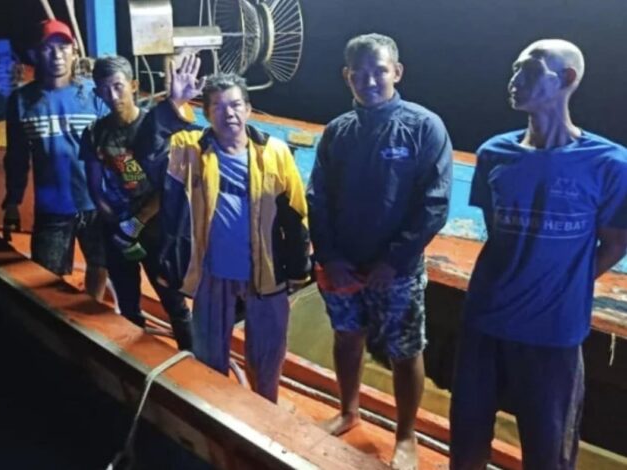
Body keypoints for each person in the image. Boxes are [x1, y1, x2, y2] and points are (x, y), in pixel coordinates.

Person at [450, 39, 627, 470]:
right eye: (513, 69)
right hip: (484, 322)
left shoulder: (609, 163)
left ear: (567, 78)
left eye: (527, 70)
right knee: (467, 441)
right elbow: (499, 233)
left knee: (549, 454)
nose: (513, 79)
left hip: (553, 334)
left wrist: (563, 283)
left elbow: (616, 242)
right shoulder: (494, 153)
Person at [307, 33, 452, 469]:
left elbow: (435, 203)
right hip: (344, 267)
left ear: (397, 72)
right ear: (346, 76)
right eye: (360, 73)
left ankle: (406, 435)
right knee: (347, 337)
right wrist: (330, 257)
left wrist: (395, 260)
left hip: (397, 271)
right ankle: (348, 411)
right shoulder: (337, 131)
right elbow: (318, 197)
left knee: (405, 350)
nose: (370, 81)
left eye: (380, 71)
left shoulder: (424, 126)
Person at [158, 73, 310, 403]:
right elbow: (148, 149)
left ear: (249, 109)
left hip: (266, 276)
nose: (229, 113)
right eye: (218, 106)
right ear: (206, 113)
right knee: (209, 360)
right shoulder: (189, 150)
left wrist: (298, 269)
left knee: (267, 358)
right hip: (212, 274)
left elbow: (296, 213)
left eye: (236, 105)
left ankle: (265, 411)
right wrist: (173, 103)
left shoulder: (276, 152)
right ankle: (216, 411)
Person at [79, 54, 203, 350]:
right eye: (104, 89)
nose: (113, 96)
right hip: (118, 229)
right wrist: (115, 223)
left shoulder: (156, 125)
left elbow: (172, 184)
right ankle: (137, 358)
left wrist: (136, 224)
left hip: (157, 229)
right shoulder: (94, 133)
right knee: (127, 302)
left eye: (118, 86)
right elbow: (94, 185)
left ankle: (194, 361)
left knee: (174, 303)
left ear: (133, 85)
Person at [2, 19, 108, 299]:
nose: (57, 55)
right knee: (47, 277)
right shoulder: (21, 101)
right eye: (48, 48)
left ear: (74, 52)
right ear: (35, 54)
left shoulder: (95, 96)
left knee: (101, 263)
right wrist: (12, 202)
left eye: (63, 47)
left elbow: (117, 148)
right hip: (52, 207)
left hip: (98, 204)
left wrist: (133, 188)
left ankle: (94, 304)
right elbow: (16, 156)